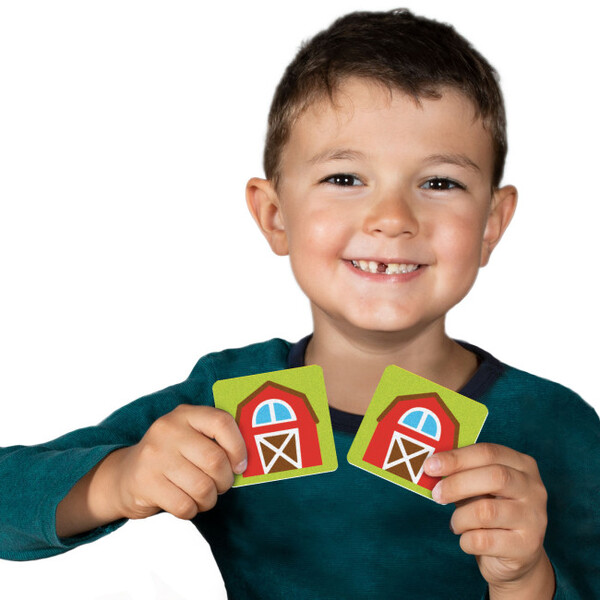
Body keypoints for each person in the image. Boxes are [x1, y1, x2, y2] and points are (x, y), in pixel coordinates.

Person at [1, 8, 598, 600]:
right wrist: (118, 480)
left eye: (440, 183)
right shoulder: (225, 401)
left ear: (492, 224)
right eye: (345, 178)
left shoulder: (557, 424)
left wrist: (526, 580)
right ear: (274, 215)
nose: (392, 218)